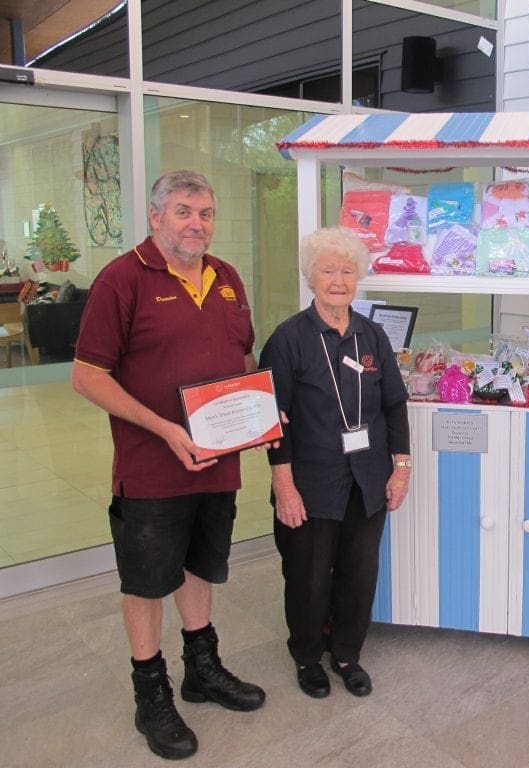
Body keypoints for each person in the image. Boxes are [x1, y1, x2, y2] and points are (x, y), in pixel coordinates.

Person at [71, 171, 266, 760]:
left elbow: (239, 356)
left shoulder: (226, 277)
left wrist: (252, 414)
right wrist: (162, 428)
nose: (196, 224)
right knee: (147, 580)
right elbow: (86, 375)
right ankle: (150, 693)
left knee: (200, 564)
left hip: (216, 464)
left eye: (205, 212)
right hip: (151, 466)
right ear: (156, 217)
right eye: (183, 211)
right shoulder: (122, 280)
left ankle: (201, 668)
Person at [258, 226, 411, 700]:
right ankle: (307, 657)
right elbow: (272, 421)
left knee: (359, 572)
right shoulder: (288, 339)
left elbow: (394, 404)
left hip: (366, 481)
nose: (339, 279)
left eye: (347, 270)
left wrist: (401, 468)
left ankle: (346, 653)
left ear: (359, 277)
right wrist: (284, 486)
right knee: (307, 575)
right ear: (311, 277)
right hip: (310, 481)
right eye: (328, 270)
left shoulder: (372, 336)